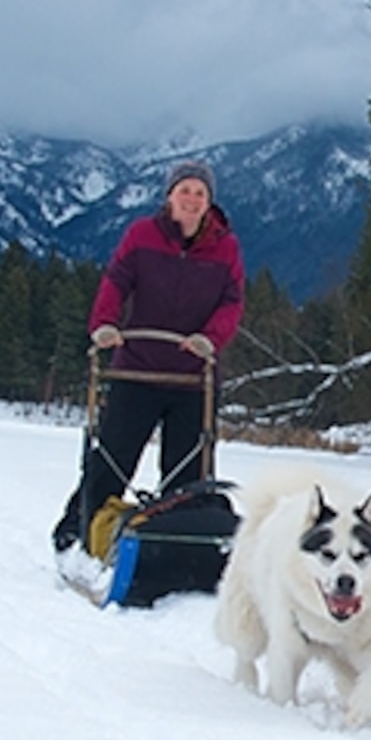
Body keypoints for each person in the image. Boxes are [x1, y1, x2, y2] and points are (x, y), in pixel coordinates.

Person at [53, 159, 246, 553]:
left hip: (193, 376)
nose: (192, 199)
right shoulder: (142, 235)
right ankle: (79, 531)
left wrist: (210, 338)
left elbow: (232, 301)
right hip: (137, 369)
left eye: (200, 193)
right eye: (185, 191)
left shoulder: (225, 247)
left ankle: (180, 544)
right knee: (112, 457)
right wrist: (104, 324)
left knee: (188, 471)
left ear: (210, 202)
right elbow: (116, 280)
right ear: (170, 197)